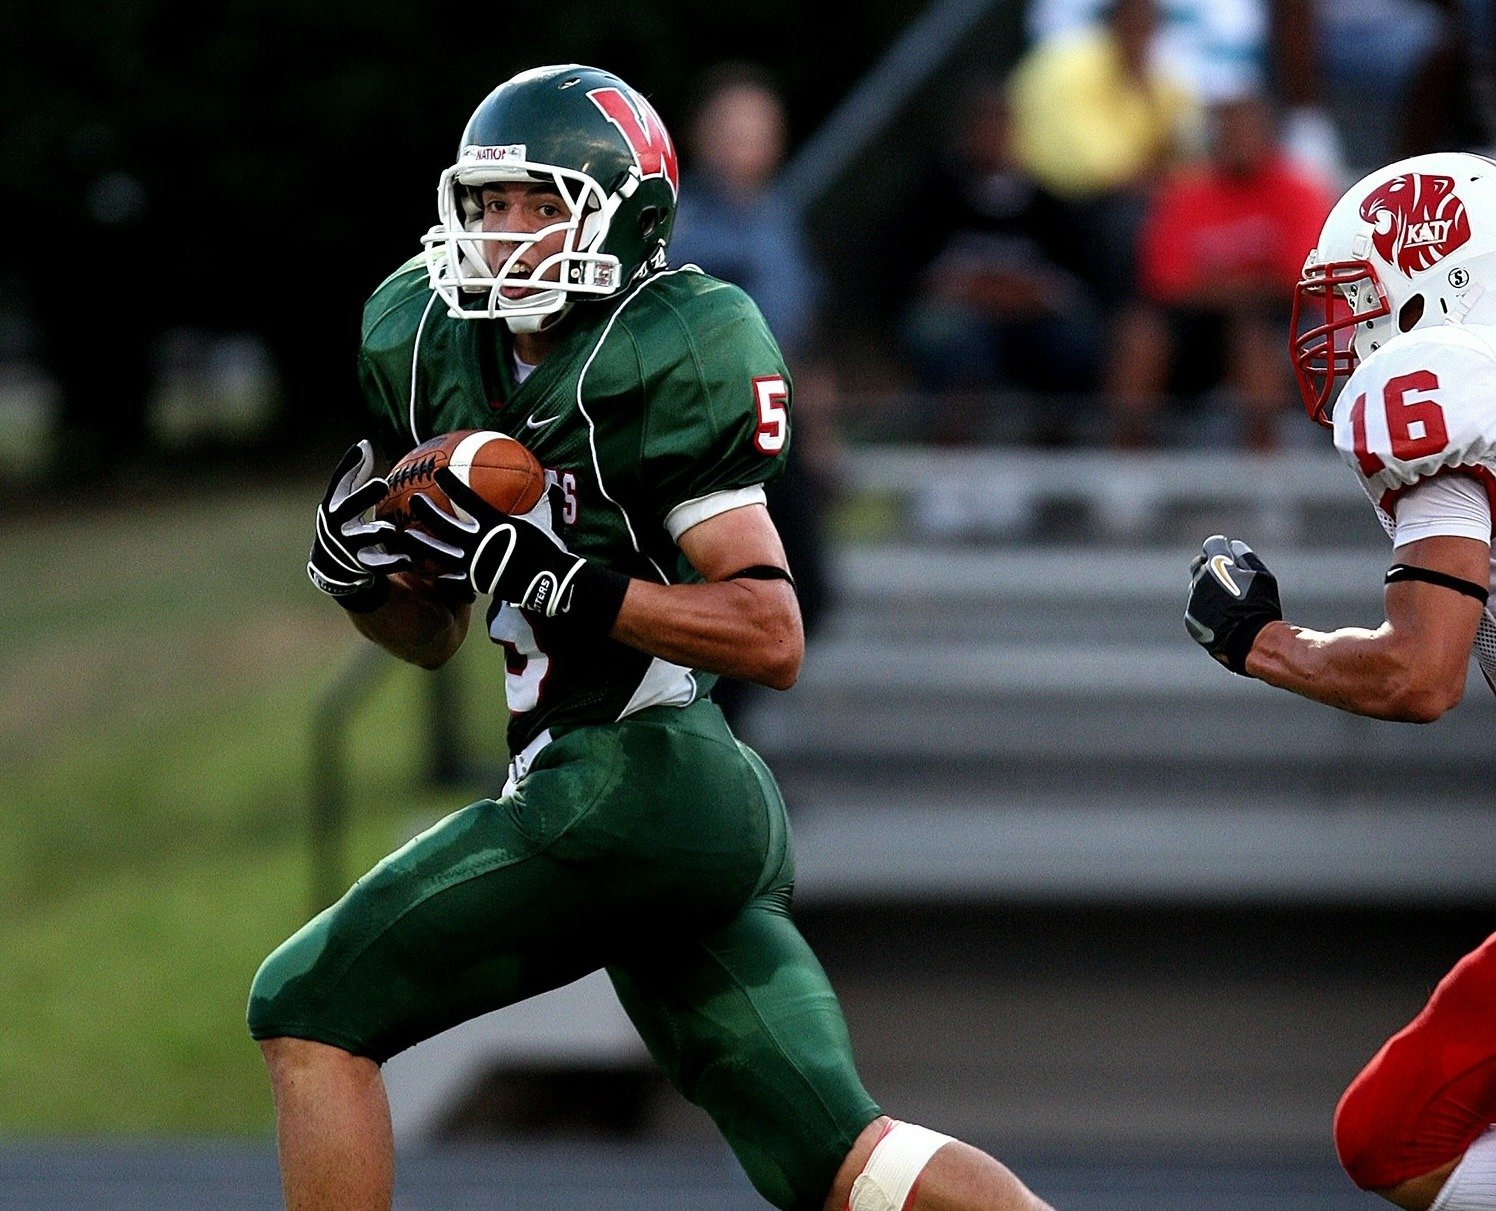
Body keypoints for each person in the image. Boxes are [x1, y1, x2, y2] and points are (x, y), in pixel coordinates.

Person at [247, 64, 1053, 1211]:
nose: (503, 233)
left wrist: (565, 580)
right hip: (678, 811)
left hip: (629, 777)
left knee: (305, 1006)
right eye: (488, 205)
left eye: (538, 205)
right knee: (841, 1157)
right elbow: (434, 639)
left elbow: (770, 630)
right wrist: (357, 582)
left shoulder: (667, 343)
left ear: (624, 216)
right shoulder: (428, 340)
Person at [1184, 150, 1496, 1209]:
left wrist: (1261, 642)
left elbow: (1418, 672)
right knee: (1389, 1127)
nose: (1336, 329)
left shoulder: (1444, 393)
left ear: (1443, 281)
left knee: (1397, 1135)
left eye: (1358, 298)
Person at [669, 62, 835, 732]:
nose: (747, 144)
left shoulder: (779, 219)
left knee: (809, 591)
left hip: (776, 429)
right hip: (709, 436)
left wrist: (822, 434)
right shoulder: (679, 222)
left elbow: (800, 331)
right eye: (733, 129)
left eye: (759, 130)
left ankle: (722, 734)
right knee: (723, 593)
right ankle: (709, 744)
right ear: (703, 136)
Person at [891, 77, 1104, 445]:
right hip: (960, 318)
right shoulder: (931, 195)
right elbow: (905, 273)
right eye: (983, 121)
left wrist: (1025, 295)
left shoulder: (1050, 203)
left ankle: (1056, 461)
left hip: (1034, 319)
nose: (993, 132)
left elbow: (1076, 277)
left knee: (1073, 340)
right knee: (950, 341)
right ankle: (951, 458)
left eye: (1002, 121)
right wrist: (977, 291)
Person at [1114, 93, 1334, 448]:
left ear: (1267, 133)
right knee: (1140, 334)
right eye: (1225, 127)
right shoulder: (1186, 194)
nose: (1233, 136)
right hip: (1194, 324)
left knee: (1251, 338)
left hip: (1276, 321)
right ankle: (1125, 467)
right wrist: (1245, 283)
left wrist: (1216, 284)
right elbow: (1164, 281)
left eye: (1243, 127)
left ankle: (1264, 469)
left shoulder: (1299, 191)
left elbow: (1299, 279)